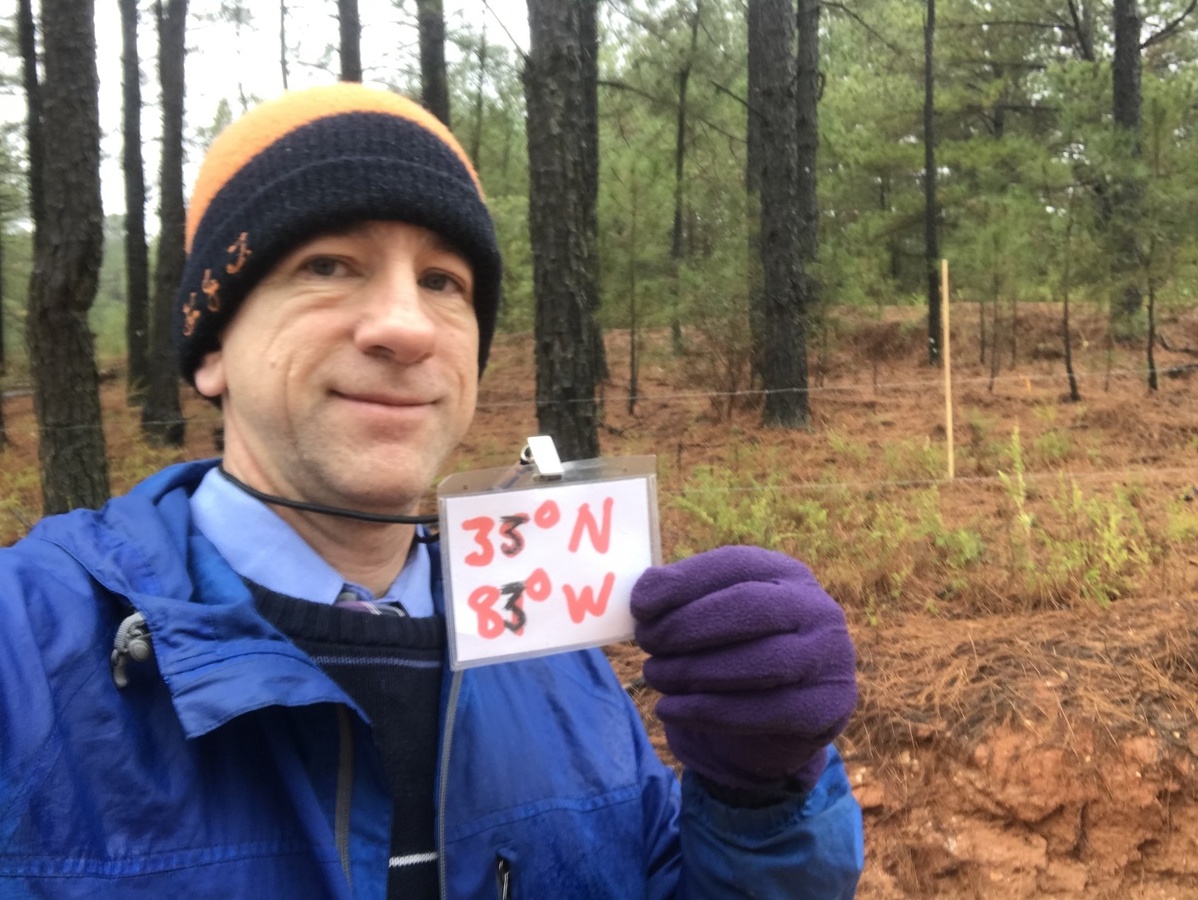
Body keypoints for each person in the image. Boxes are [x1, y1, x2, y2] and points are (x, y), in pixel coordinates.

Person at [0, 84, 863, 899]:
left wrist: (760, 797)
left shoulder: (551, 641)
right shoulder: (27, 653)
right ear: (212, 347)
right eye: (328, 265)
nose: (406, 327)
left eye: (444, 282)